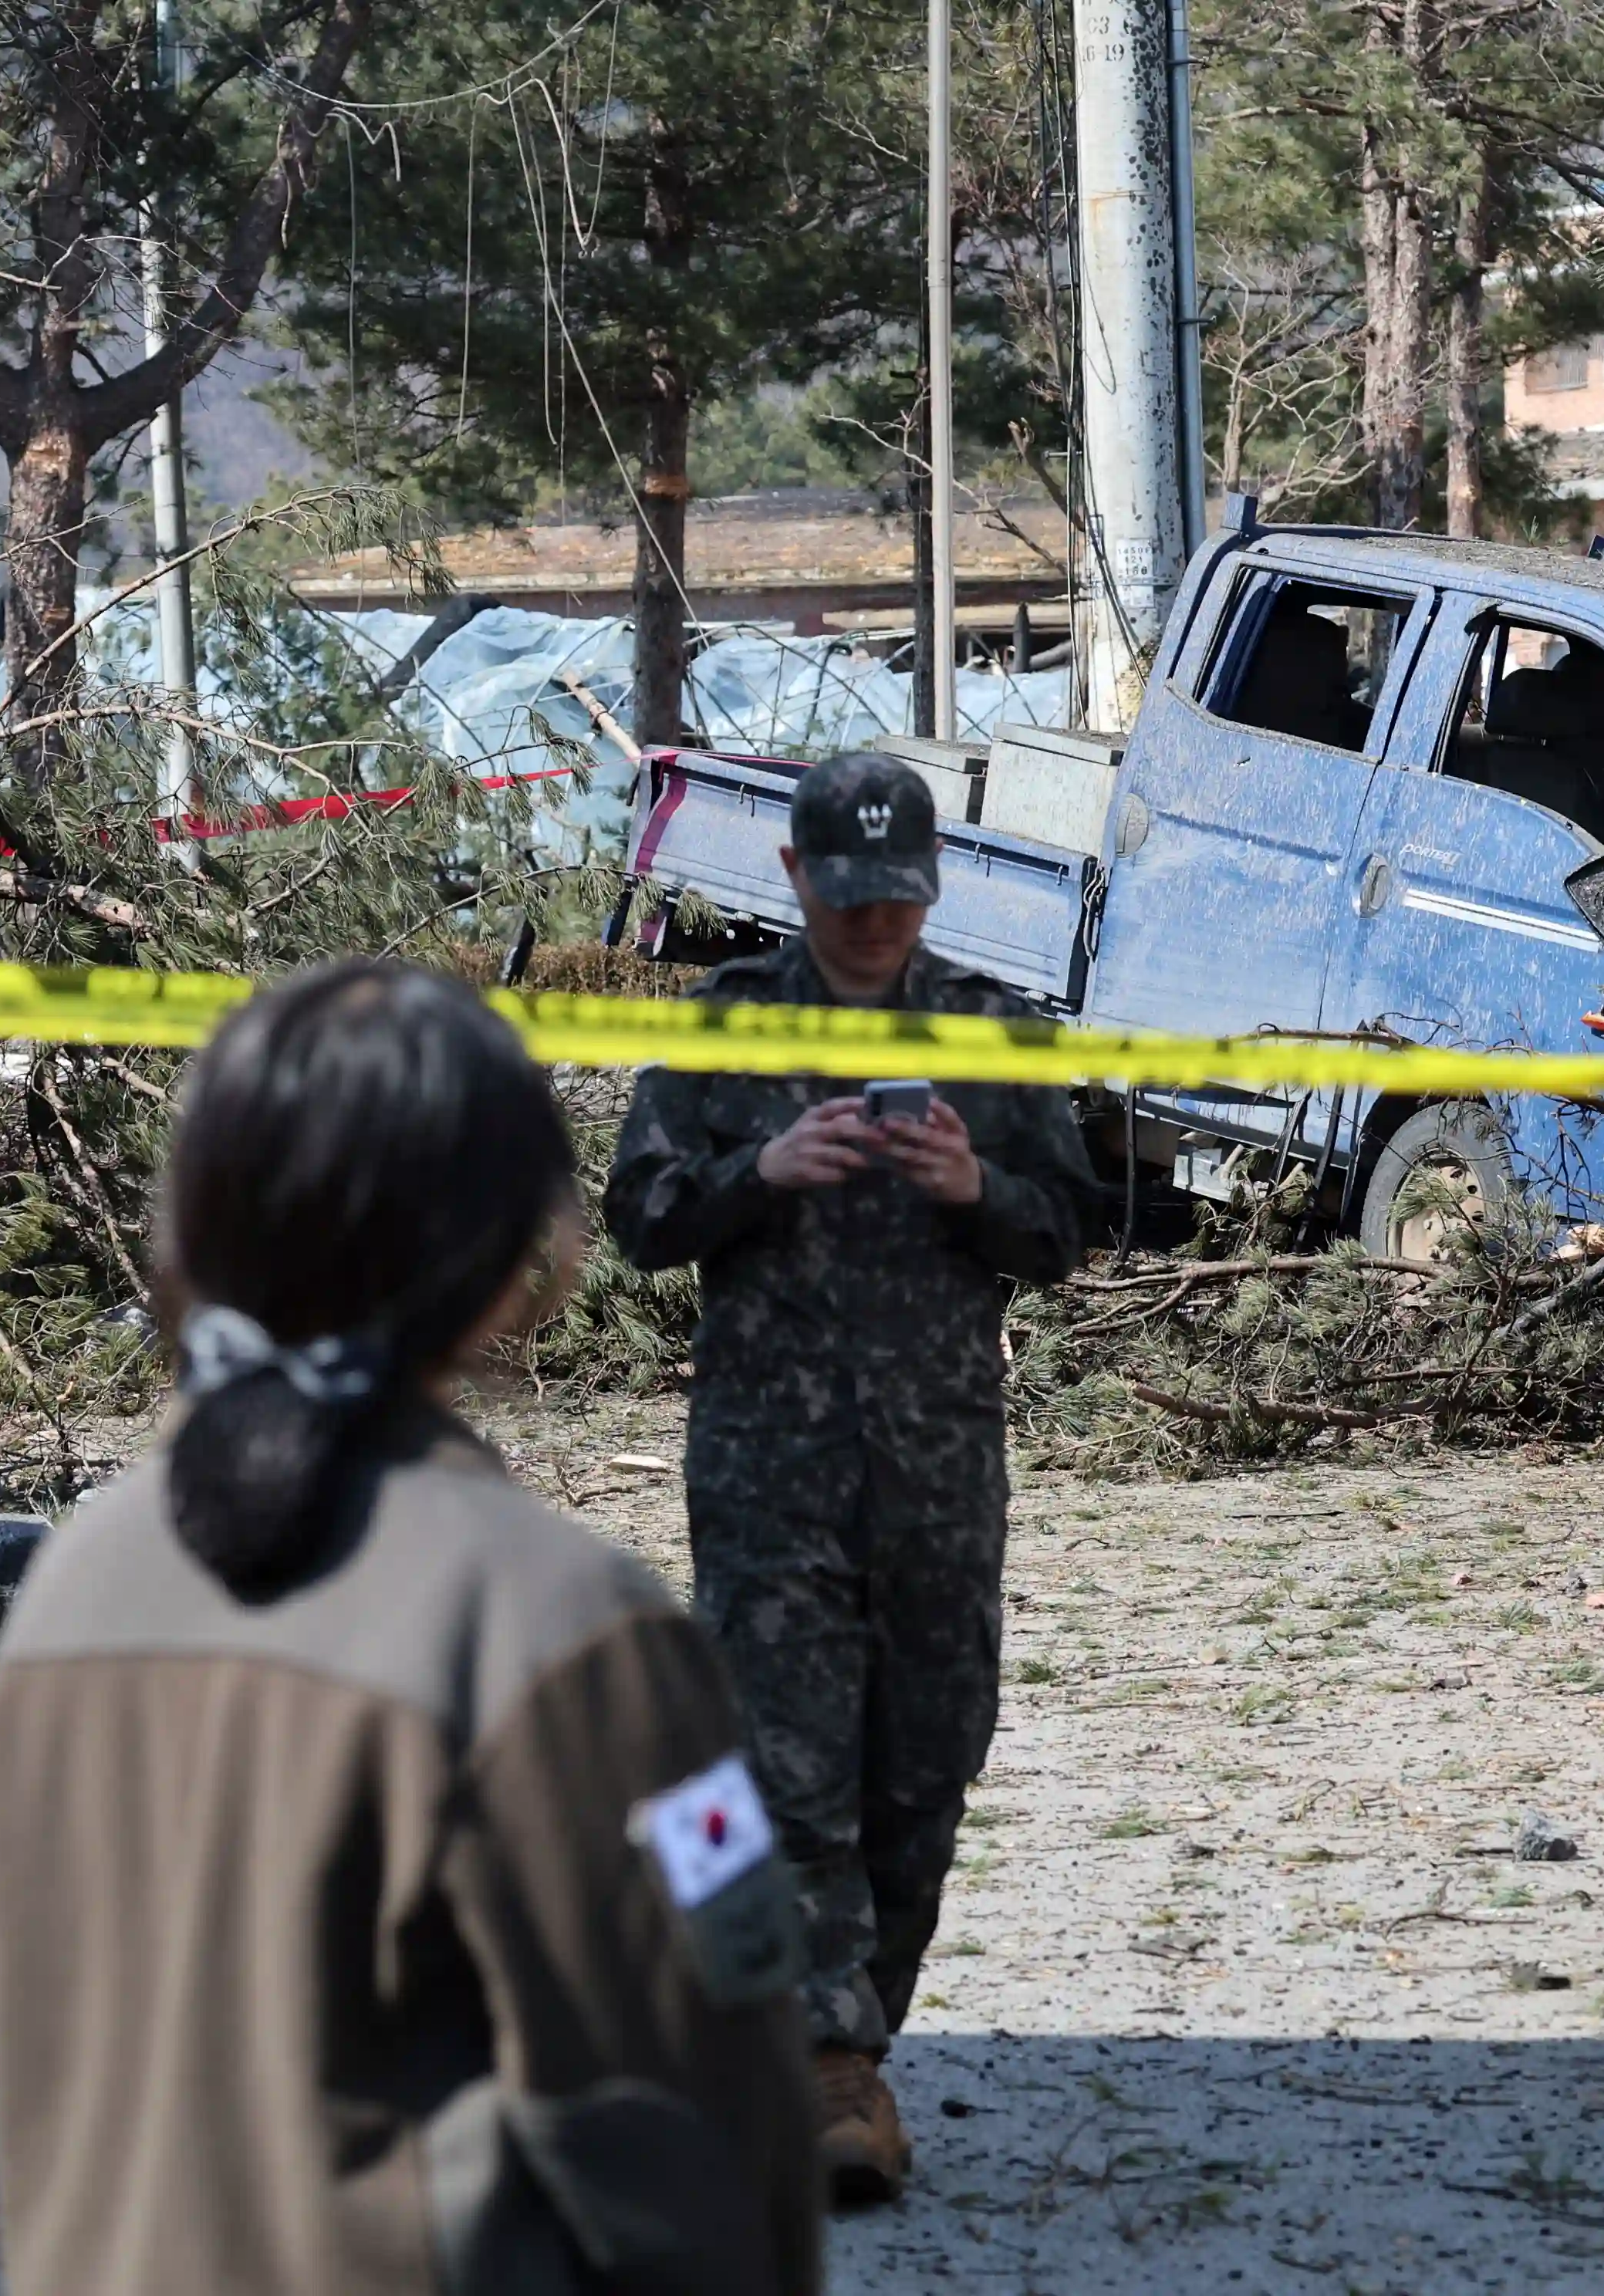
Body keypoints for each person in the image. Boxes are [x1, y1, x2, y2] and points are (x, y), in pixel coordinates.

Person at [0, 961, 822, 2295]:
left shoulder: (66, 1597)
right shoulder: (568, 1629)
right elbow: (710, 2138)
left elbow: (15, 2021)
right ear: (509, 1261)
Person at [605, 751, 1097, 2204]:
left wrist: (977, 1191)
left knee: (925, 1768)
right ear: (796, 877)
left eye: (900, 895)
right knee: (787, 1770)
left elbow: (1069, 1228)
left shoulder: (993, 1031)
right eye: (849, 893)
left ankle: (844, 2039)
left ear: (930, 885)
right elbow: (640, 1212)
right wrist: (765, 1166)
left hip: (941, 1473)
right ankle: (825, 2067)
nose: (877, 921)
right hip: (771, 1468)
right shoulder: (731, 1027)